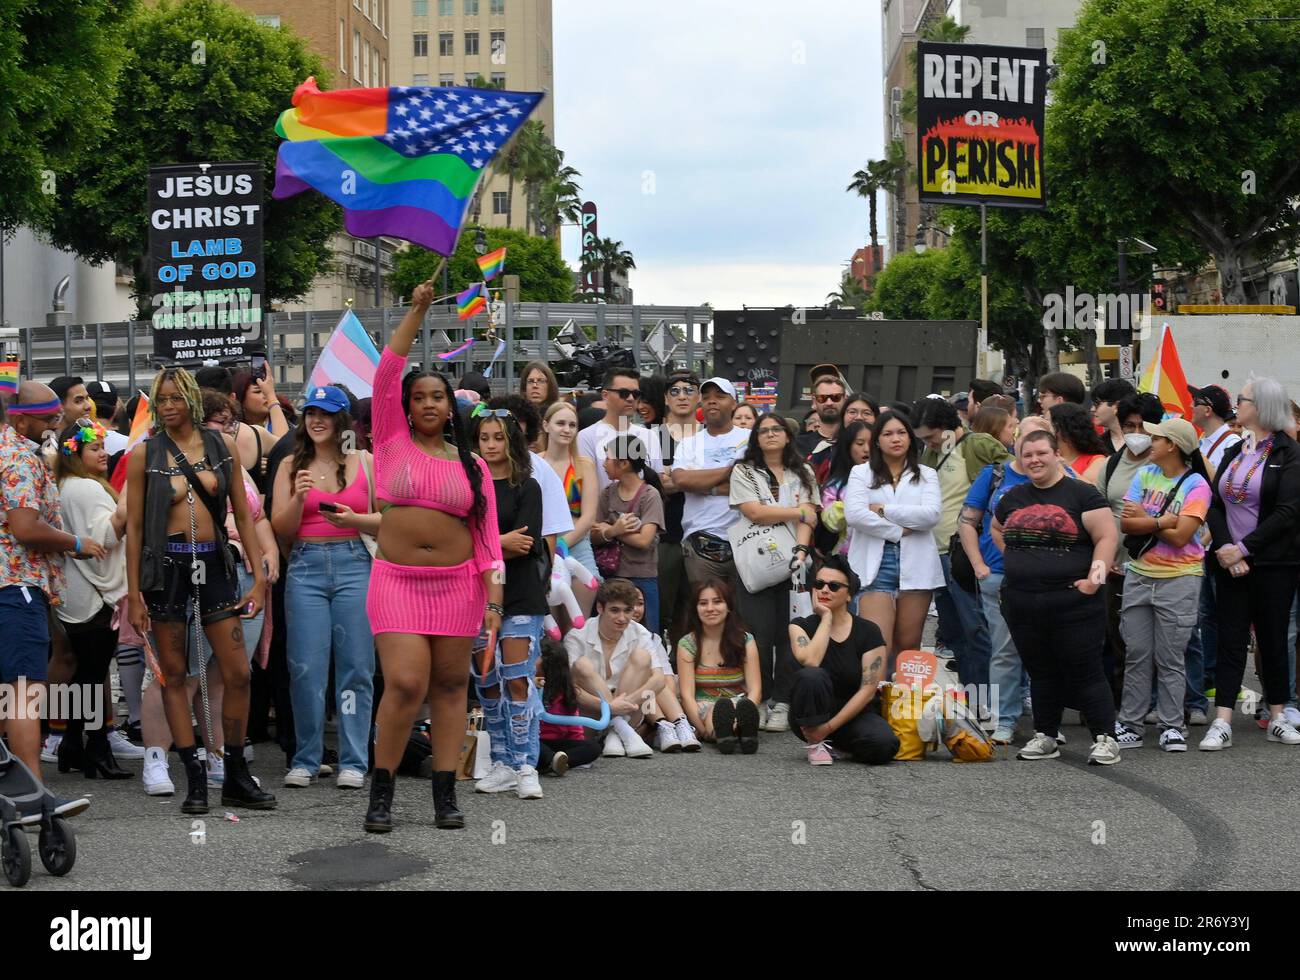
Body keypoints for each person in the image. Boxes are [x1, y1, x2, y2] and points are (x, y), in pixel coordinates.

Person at [361, 281, 504, 832]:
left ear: (451, 408)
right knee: (404, 683)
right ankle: (382, 792)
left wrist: (493, 601)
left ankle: (446, 791)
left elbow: (489, 539)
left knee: (450, 686)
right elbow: (387, 368)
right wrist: (418, 310)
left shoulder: (473, 465)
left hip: (459, 588)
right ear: (406, 405)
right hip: (395, 582)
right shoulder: (390, 439)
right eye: (418, 396)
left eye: (436, 397)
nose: (426, 403)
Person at [124, 367, 273, 812]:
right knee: (173, 674)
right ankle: (193, 778)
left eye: (175, 398)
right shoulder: (143, 454)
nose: (168, 406)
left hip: (215, 564)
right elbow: (133, 528)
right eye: (161, 399)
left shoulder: (220, 446)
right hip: (166, 571)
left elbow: (244, 516)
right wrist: (134, 595)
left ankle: (233, 771)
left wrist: (260, 579)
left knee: (238, 673)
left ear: (190, 399)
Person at [992, 429, 1121, 765]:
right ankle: (1045, 735)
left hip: (1074, 601)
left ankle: (1106, 738)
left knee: (1086, 670)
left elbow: (1107, 538)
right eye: (1027, 454)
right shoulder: (1013, 497)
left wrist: (1094, 581)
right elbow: (995, 527)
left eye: (1041, 453)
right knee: (1040, 671)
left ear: (1057, 454)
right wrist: (1016, 557)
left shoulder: (1082, 495)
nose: (1034, 460)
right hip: (1022, 602)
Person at [271, 385, 376, 791]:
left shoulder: (364, 461)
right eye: (311, 412)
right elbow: (281, 528)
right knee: (304, 669)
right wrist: (298, 499)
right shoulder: (289, 466)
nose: (316, 420)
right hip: (305, 567)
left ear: (342, 420)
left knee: (356, 668)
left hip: (355, 563)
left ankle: (354, 759)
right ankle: (306, 757)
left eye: (326, 413)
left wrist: (355, 520)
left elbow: (387, 519)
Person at [0, 385, 98, 819]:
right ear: (21, 421)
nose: (57, 426)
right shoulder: (19, 457)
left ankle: (14, 790)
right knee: (23, 693)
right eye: (50, 419)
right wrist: (75, 541)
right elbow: (24, 527)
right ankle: (33, 796)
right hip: (16, 587)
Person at [1201, 377, 1300, 749]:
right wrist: (1227, 550)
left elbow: (1288, 512)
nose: (1236, 407)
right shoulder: (1236, 449)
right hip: (1230, 563)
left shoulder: (1289, 454)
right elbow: (1213, 504)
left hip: (1274, 564)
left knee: (1273, 640)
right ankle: (1223, 719)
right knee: (1230, 638)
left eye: (1241, 400)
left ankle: (1278, 714)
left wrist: (1243, 550)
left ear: (1260, 406)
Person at [1115, 418, 1212, 753]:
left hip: (1180, 578)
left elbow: (1182, 536)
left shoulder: (1197, 485)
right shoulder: (1144, 474)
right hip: (1140, 575)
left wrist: (1149, 519)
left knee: (1171, 656)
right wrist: (1162, 520)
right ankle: (1130, 723)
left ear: (1171, 445)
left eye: (1154, 437)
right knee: (1137, 653)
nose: (1147, 441)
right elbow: (1127, 521)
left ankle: (1173, 725)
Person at [469, 407, 549, 800]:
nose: (491, 445)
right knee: (487, 683)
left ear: (511, 441)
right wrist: (498, 543)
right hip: (475, 594)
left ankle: (526, 764)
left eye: (498, 437)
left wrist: (489, 545)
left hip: (520, 594)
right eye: (484, 438)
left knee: (517, 678)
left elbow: (526, 543)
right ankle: (501, 762)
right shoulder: (469, 485)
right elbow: (469, 540)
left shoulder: (528, 486)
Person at [957, 416, 1052, 743]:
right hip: (999, 575)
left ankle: (1047, 722)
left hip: (1049, 579)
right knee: (1005, 651)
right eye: (1025, 441)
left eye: (1040, 443)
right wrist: (979, 565)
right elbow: (967, 521)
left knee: (1046, 650)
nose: (1033, 453)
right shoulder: (995, 475)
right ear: (1015, 442)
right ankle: (1004, 720)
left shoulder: (1066, 478)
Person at [913, 396, 1008, 704]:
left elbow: (1006, 479)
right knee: (954, 633)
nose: (927, 442)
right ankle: (972, 697)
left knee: (976, 629)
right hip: (934, 552)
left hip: (965, 553)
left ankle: (989, 701)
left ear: (947, 425)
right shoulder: (930, 452)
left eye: (930, 435)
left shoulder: (976, 444)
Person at [52, 419, 131, 779]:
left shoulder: (67, 485)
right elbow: (105, 537)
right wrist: (130, 496)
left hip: (75, 592)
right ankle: (95, 746)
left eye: (103, 446)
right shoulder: (84, 488)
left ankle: (72, 742)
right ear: (75, 454)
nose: (104, 453)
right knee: (92, 674)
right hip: (92, 595)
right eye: (94, 448)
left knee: (85, 672)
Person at [729, 414, 818, 732]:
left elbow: (812, 516)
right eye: (763, 430)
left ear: (788, 435)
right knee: (759, 635)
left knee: (792, 634)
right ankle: (761, 698)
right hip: (757, 563)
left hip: (797, 562)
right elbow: (754, 511)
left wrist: (802, 551)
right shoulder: (744, 470)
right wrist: (798, 511)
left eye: (776, 429)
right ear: (755, 437)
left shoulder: (803, 471)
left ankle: (784, 701)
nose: (769, 435)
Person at [844, 411, 942, 662]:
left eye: (901, 433)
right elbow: (855, 515)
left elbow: (930, 516)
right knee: (878, 644)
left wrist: (883, 510)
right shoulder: (860, 473)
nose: (895, 439)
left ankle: (902, 699)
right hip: (876, 562)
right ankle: (873, 699)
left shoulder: (927, 473)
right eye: (887, 434)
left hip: (917, 563)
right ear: (877, 440)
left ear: (910, 437)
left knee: (909, 645)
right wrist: (898, 531)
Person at [788, 555, 895, 766]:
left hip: (854, 712)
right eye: (819, 584)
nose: (824, 590)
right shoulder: (799, 625)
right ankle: (815, 742)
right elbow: (810, 660)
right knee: (812, 675)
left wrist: (828, 728)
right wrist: (826, 618)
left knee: (885, 746)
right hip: (810, 714)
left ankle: (832, 741)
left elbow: (868, 690)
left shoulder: (869, 631)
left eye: (834, 586)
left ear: (849, 596)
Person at [1094, 392, 1165, 705]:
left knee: (1160, 642)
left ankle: (1167, 704)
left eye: (1143, 426)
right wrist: (1103, 558)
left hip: (1159, 567)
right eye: (1129, 426)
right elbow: (1096, 513)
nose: (1137, 433)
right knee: (1119, 640)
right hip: (1117, 568)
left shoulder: (1166, 464)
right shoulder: (1111, 465)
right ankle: (1125, 706)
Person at [564, 578, 666, 758]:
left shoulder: (640, 631)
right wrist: (609, 707)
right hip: (591, 714)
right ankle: (619, 727)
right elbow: (569, 689)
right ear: (600, 608)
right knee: (582, 664)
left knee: (642, 657)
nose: (622, 618)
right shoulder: (577, 636)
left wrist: (622, 706)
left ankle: (617, 727)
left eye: (628, 610)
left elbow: (659, 680)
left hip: (629, 711)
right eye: (614, 610)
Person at [673, 378, 749, 590]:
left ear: (734, 403)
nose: (712, 402)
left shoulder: (751, 439)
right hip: (700, 542)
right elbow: (681, 480)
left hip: (747, 541)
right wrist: (730, 469)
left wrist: (705, 486)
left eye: (720, 396)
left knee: (743, 617)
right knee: (707, 611)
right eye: (706, 398)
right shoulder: (689, 443)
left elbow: (755, 486)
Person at [675, 579, 762, 753]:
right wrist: (702, 730)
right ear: (695, 609)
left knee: (738, 708)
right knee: (716, 710)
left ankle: (735, 730)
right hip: (703, 706)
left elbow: (756, 690)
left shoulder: (745, 640)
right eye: (703, 603)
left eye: (717, 601)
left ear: (728, 606)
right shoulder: (687, 644)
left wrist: (748, 709)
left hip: (739, 702)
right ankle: (732, 734)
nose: (710, 609)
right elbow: (686, 696)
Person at [593, 435, 665, 634]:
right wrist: (615, 529)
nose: (604, 463)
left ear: (623, 463)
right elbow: (593, 535)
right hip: (612, 576)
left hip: (643, 577)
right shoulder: (607, 493)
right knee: (611, 633)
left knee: (646, 635)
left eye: (608, 458)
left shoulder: (650, 495)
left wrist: (611, 530)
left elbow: (644, 540)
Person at [656, 370, 701, 640]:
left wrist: (677, 477)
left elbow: (722, 479)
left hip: (703, 531)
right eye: (675, 390)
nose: (682, 396)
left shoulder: (710, 436)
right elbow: (651, 483)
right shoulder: (652, 436)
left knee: (698, 606)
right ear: (665, 397)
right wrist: (696, 478)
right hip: (663, 532)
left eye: (689, 390)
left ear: (699, 397)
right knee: (663, 608)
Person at [540, 401, 601, 591]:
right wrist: (549, 547)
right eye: (560, 423)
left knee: (583, 603)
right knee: (551, 614)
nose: (567, 429)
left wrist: (562, 544)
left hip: (577, 544)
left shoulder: (585, 465)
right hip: (542, 546)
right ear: (546, 425)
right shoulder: (533, 463)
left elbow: (589, 516)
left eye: (572, 425)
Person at [576, 367, 662, 492]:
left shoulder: (649, 436)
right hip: (604, 509)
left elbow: (656, 485)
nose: (631, 398)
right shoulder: (586, 437)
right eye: (624, 393)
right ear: (605, 395)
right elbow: (587, 489)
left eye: (636, 394)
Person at [536, 638, 601, 776]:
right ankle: (551, 760)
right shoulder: (529, 689)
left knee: (593, 747)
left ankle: (556, 761)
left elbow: (574, 728)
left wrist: (578, 745)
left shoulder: (565, 693)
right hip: (535, 740)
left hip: (557, 743)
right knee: (533, 745)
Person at [231, 367, 288, 493]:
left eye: (267, 391)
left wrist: (272, 463)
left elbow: (285, 447)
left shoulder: (287, 421)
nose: (265, 395)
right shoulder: (233, 431)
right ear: (240, 399)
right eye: (258, 391)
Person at [820, 420, 871, 557]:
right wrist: (853, 501)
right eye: (860, 444)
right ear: (848, 447)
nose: (867, 449)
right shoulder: (836, 484)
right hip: (848, 555)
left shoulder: (889, 478)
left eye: (872, 444)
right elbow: (832, 523)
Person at [1050, 402, 1109, 484]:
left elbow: (1090, 491)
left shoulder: (1096, 460)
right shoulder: (1046, 458)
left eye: (1047, 422)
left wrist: (1065, 468)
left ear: (1062, 427)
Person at [1190, 384, 1240, 477]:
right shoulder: (1201, 442)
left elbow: (1229, 488)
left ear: (1208, 410)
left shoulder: (1232, 444)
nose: (1191, 405)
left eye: (1196, 402)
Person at [1091, 379, 1137, 454]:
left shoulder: (1141, 441)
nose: (1092, 409)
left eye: (1097, 404)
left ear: (1117, 406)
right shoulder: (1096, 445)